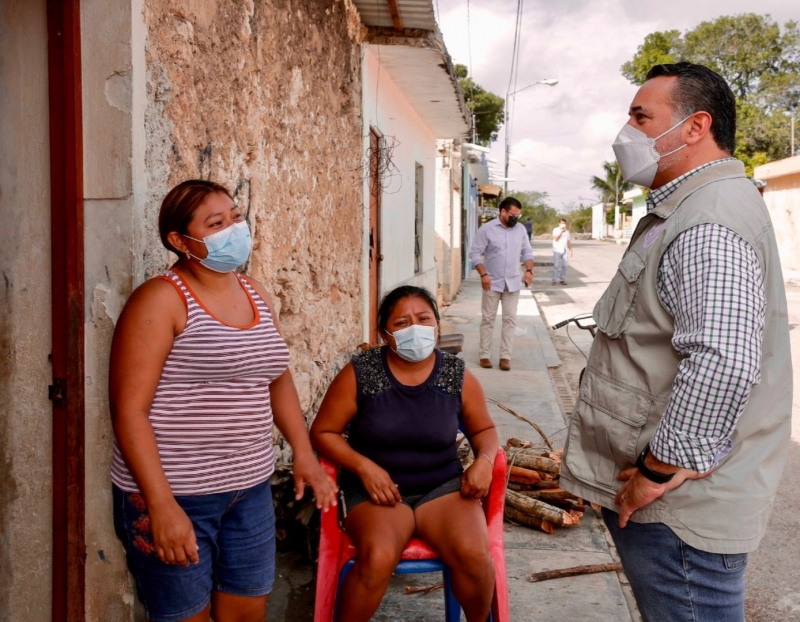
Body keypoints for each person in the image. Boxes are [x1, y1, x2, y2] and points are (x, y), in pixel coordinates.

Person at [560, 62, 792, 622]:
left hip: (680, 511)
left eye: (642, 117)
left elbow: (723, 360)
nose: (628, 133)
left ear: (695, 127)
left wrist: (657, 473)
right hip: (677, 505)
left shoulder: (707, 217)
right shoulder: (690, 207)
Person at [110, 180, 337, 622]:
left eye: (235, 217)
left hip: (249, 488)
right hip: (178, 494)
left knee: (246, 613)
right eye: (216, 224)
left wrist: (304, 454)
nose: (234, 229)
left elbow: (277, 378)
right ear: (180, 241)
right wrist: (161, 504)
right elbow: (129, 411)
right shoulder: (160, 300)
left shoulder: (254, 292)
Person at [310, 286, 500, 622]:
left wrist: (484, 461)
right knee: (379, 556)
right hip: (376, 493)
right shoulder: (361, 372)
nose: (415, 328)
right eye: (402, 322)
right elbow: (323, 432)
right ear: (385, 334)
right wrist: (364, 468)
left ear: (437, 324)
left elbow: (484, 430)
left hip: (442, 487)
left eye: (423, 318)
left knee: (474, 554)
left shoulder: (456, 373)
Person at [469, 197, 535, 371]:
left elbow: (527, 252)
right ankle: (484, 355)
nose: (516, 218)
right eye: (513, 214)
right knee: (488, 319)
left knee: (510, 320)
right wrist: (483, 274)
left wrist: (529, 271)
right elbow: (475, 253)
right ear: (503, 212)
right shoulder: (487, 230)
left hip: (513, 282)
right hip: (491, 282)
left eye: (518, 215)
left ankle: (505, 357)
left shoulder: (520, 230)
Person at [551, 218, 572, 285]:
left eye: (564, 223)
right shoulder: (555, 230)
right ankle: (554, 280)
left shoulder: (567, 232)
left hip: (565, 250)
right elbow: (556, 238)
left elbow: (568, 241)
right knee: (556, 266)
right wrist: (561, 232)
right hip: (557, 250)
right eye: (562, 223)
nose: (563, 225)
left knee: (565, 266)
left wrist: (571, 249)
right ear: (559, 223)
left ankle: (562, 279)